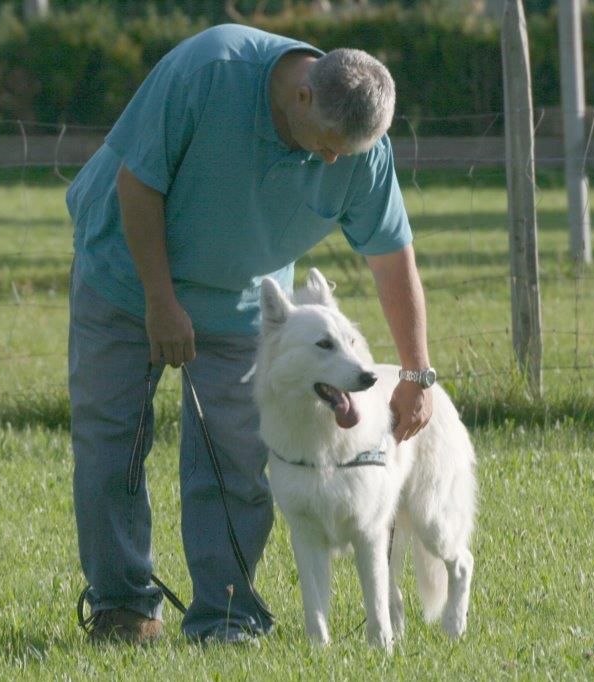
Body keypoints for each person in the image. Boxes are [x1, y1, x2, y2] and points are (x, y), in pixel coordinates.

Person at [66, 23, 437, 646]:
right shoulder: (210, 70)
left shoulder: (359, 149)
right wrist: (161, 302)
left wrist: (416, 373)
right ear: (302, 98)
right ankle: (123, 608)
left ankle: (227, 616)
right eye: (327, 146)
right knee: (112, 445)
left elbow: (392, 258)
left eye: (347, 153)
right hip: (127, 278)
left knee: (235, 460)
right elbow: (138, 184)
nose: (331, 162)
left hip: (242, 301)